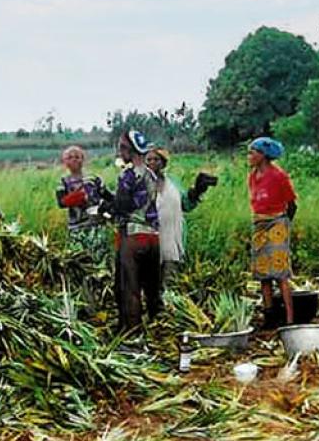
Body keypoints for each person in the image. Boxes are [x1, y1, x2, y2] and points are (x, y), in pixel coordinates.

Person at [145, 149, 218, 285]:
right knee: (151, 280)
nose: (152, 162)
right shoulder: (140, 184)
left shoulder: (172, 182)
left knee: (170, 279)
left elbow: (186, 205)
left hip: (172, 240)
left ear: (163, 163)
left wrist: (196, 191)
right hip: (150, 239)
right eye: (149, 160)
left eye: (156, 159)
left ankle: (169, 302)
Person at [112, 130, 160, 331]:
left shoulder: (129, 174)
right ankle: (157, 327)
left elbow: (122, 206)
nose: (120, 151)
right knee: (151, 287)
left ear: (129, 150)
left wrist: (104, 203)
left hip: (133, 236)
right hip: (153, 237)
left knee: (129, 288)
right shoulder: (150, 173)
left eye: (122, 147)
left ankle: (132, 333)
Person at [248, 137, 297, 327]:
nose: (249, 157)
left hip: (277, 222)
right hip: (259, 223)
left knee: (280, 272)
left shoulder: (279, 176)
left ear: (263, 155)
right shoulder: (253, 176)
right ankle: (270, 316)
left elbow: (292, 204)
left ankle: (289, 319)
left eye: (252, 153)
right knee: (263, 273)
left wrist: (283, 226)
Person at [55, 145, 112, 263]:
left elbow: (108, 196)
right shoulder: (63, 182)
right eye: (70, 157)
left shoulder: (93, 178)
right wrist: (75, 198)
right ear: (65, 161)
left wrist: (108, 207)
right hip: (76, 228)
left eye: (77, 157)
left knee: (99, 260)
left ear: (83, 159)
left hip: (96, 226)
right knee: (79, 262)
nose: (74, 159)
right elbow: (61, 203)